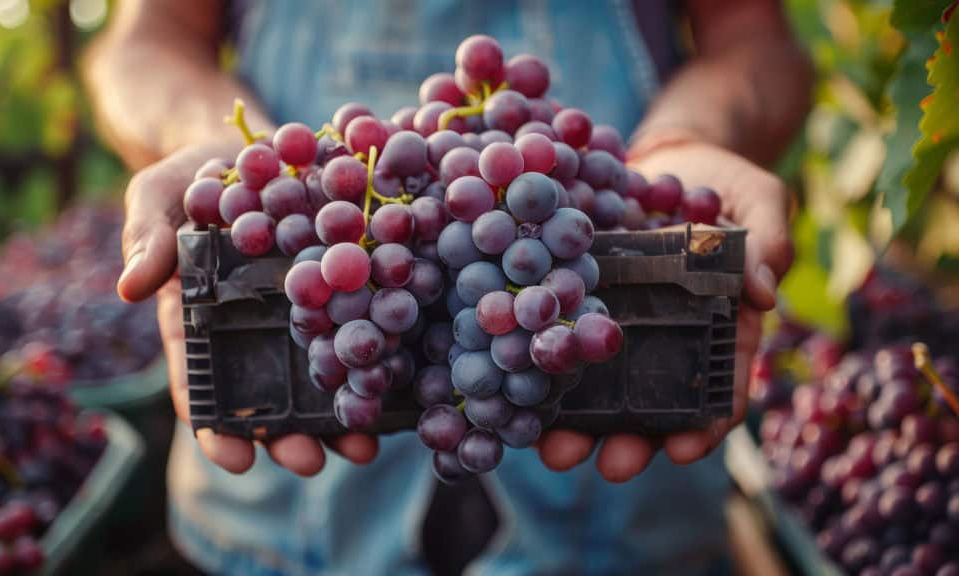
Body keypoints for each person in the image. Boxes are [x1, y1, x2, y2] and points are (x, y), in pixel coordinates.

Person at [83, 1, 811, 574]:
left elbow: (755, 37)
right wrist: (205, 136)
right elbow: (148, 39)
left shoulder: (515, 212)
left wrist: (686, 142)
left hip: (623, 466)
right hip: (282, 496)